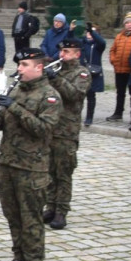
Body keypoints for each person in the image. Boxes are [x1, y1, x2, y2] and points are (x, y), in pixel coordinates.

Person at [0, 48, 62, 261]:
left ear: (38, 67)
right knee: (13, 215)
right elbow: (3, 126)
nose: (19, 69)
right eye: (19, 65)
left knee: (31, 218)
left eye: (24, 65)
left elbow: (42, 129)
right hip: (8, 163)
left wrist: (15, 108)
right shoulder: (16, 90)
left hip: (32, 168)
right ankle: (18, 257)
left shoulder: (50, 96)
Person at [42, 38, 91, 230]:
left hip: (66, 131)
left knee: (63, 173)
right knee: (49, 171)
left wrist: (55, 78)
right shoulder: (57, 69)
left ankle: (61, 211)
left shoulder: (82, 73)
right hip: (50, 128)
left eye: (67, 52)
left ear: (77, 54)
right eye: (61, 51)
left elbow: (75, 95)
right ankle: (50, 205)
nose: (62, 55)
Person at [106, 13, 131, 122]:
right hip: (119, 69)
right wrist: (113, 60)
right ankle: (118, 112)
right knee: (120, 93)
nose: (129, 25)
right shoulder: (119, 36)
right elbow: (112, 50)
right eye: (127, 23)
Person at [79, 22, 106, 126]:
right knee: (79, 96)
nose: (89, 34)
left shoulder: (98, 45)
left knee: (91, 96)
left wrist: (92, 31)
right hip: (82, 72)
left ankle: (89, 117)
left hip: (93, 73)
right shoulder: (83, 43)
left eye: (91, 33)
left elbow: (102, 42)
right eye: (88, 32)